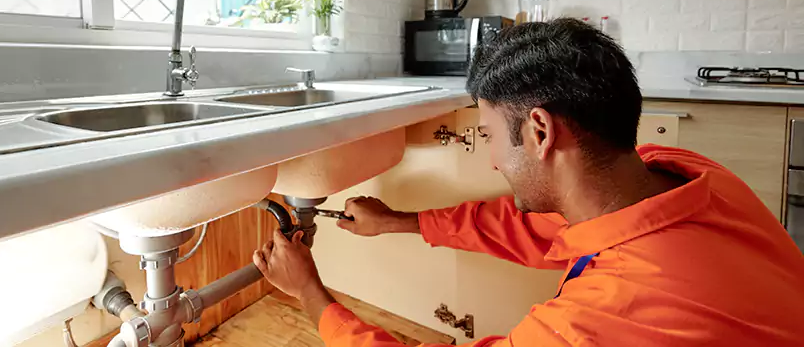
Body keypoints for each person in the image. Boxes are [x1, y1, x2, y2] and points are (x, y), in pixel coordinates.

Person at [252, 18, 804, 346]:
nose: (492, 160)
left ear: (539, 131)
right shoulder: (682, 171)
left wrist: (308, 291)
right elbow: (535, 230)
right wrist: (397, 222)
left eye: (491, 135)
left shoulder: (607, 317)